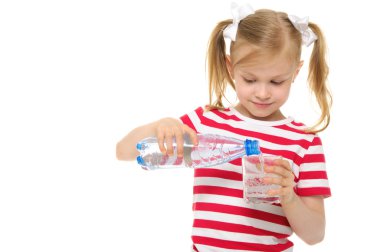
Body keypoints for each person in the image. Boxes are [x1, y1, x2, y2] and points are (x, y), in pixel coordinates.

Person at [116, 3, 332, 251]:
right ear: (231, 68)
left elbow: (316, 234)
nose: (262, 93)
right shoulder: (206, 121)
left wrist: (289, 197)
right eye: (249, 79)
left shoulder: (303, 141)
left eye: (276, 81)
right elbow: (123, 151)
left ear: (295, 72)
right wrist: (160, 126)